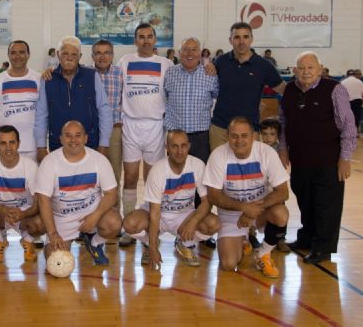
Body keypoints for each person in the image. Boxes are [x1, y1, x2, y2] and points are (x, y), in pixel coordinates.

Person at [279, 52, 357, 264]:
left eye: (310, 68)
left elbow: (348, 125)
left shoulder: (335, 90)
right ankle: (306, 239)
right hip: (300, 160)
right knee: (306, 201)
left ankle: (323, 248)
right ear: (294, 70)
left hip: (329, 161)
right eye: (301, 68)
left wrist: (345, 158)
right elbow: (284, 122)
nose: (306, 72)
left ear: (320, 69)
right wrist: (283, 148)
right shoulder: (289, 90)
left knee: (326, 206)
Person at [204, 117, 290, 278]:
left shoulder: (267, 153)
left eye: (244, 135)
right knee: (229, 264)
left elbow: (283, 192)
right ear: (226, 136)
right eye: (234, 136)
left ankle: (263, 254)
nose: (239, 140)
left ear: (253, 136)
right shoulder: (218, 155)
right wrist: (244, 208)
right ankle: (243, 239)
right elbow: (214, 196)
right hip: (231, 216)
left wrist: (253, 210)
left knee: (281, 214)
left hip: (260, 211)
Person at [122, 130, 220, 269]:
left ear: (189, 146)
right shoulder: (157, 170)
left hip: (184, 216)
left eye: (183, 146)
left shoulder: (197, 165)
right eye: (174, 146)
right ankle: (149, 242)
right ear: (167, 148)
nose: (179, 151)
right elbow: (155, 214)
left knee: (213, 224)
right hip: (158, 215)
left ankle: (185, 243)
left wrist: (193, 221)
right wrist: (153, 247)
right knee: (130, 224)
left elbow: (206, 202)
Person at [116, 23, 174, 246]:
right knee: (129, 178)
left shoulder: (166, 64)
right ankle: (129, 226)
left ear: (155, 39)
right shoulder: (125, 62)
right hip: (130, 125)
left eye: (150, 36)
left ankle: (150, 225)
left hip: (155, 127)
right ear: (135, 40)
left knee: (151, 181)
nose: (146, 41)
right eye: (141, 37)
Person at [36, 121, 122, 265]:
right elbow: (43, 200)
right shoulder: (50, 162)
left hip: (91, 214)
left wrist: (95, 216)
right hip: (62, 219)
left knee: (114, 223)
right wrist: (53, 234)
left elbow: (112, 194)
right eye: (68, 136)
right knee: (55, 262)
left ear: (86, 138)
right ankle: (65, 240)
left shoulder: (99, 160)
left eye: (78, 135)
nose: (73, 140)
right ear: (61, 139)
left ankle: (94, 242)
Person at [210, 22, 285, 150]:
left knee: (247, 169)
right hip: (220, 128)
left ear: (251, 39)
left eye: (245, 37)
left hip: (248, 129)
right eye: (237, 37)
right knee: (219, 169)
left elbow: (284, 90)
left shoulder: (264, 66)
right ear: (230, 40)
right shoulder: (220, 61)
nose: (241, 41)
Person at [34, 36, 112, 159]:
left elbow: (104, 110)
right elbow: (41, 115)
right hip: (58, 145)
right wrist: (41, 146)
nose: (69, 58)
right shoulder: (48, 79)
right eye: (65, 54)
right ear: (58, 55)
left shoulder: (92, 77)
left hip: (90, 143)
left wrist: (104, 143)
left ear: (80, 57)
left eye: (74, 54)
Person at [0, 125, 44, 263]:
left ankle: (28, 240)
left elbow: (39, 201)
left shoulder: (30, 165)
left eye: (12, 142)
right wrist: (2, 209)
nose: (8, 147)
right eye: (3, 143)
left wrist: (23, 214)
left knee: (43, 220)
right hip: (0, 213)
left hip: (24, 214)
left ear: (18, 144)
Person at [164, 37, 218, 163]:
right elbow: (165, 96)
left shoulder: (210, 74)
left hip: (201, 137)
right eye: (185, 49)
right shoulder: (169, 73)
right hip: (175, 136)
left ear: (200, 53)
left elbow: (218, 96)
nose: (190, 53)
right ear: (179, 53)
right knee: (175, 174)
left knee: (200, 175)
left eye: (194, 50)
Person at [0, 40, 41, 161]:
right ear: (8, 55)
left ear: (28, 54)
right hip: (5, 146)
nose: (17, 56)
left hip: (32, 146)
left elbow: (44, 114)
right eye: (13, 53)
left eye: (21, 52)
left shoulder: (38, 79)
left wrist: (42, 146)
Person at [91, 39, 124, 191]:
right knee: (92, 173)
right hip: (91, 131)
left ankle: (115, 211)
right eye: (98, 53)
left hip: (113, 131)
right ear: (92, 56)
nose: (102, 57)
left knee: (114, 174)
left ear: (112, 55)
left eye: (106, 53)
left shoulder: (120, 73)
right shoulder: (86, 73)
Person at [258, 117, 290, 253]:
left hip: (276, 188)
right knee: (260, 210)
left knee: (280, 211)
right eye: (264, 134)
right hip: (261, 188)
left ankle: (280, 239)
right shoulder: (258, 150)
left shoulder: (280, 151)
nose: (268, 137)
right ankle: (251, 236)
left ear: (278, 135)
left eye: (272, 134)